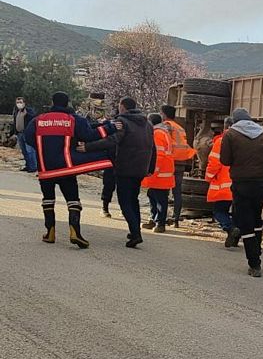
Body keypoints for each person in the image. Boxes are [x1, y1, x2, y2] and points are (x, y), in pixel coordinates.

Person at [25, 92, 115, 248]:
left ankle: (50, 232)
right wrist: (109, 128)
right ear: (68, 104)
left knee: (48, 199)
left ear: (52, 102)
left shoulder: (37, 121)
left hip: (46, 169)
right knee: (73, 199)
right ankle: (75, 232)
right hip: (66, 168)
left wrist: (44, 150)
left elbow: (28, 138)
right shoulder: (74, 120)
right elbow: (89, 135)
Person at [82, 97, 156, 248]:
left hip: (125, 167)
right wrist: (150, 168)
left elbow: (112, 140)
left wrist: (88, 147)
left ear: (122, 107)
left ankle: (135, 233)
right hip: (141, 168)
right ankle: (136, 231)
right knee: (133, 199)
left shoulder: (122, 122)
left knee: (125, 201)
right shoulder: (147, 123)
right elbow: (153, 147)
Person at [220, 108, 263, 278]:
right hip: (261, 184)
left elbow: (225, 160)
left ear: (235, 121)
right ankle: (257, 251)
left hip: (241, 184)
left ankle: (254, 263)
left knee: (245, 223)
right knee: (256, 218)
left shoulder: (230, 135)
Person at [206, 117, 240, 248]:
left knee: (219, 211)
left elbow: (214, 162)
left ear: (226, 127)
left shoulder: (221, 141)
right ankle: (235, 236)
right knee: (236, 212)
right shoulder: (242, 141)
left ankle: (230, 229)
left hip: (223, 184)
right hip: (239, 184)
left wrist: (209, 177)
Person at [160, 105, 196, 228]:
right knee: (177, 192)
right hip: (181, 162)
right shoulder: (180, 128)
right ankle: (175, 219)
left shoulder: (166, 126)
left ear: (164, 114)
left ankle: (162, 218)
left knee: (163, 190)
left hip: (170, 162)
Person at [141, 113, 175, 233]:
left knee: (160, 198)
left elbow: (159, 155)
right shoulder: (163, 132)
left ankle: (160, 223)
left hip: (159, 173)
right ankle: (154, 219)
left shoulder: (157, 134)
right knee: (153, 195)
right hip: (163, 172)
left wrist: (152, 171)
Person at [12, 97, 38, 172]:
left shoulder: (29, 111)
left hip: (27, 133)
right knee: (24, 151)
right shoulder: (16, 111)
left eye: (20, 102)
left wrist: (27, 114)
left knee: (30, 150)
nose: (19, 104)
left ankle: (33, 167)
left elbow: (34, 118)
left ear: (24, 103)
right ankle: (28, 165)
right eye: (17, 102)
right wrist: (14, 132)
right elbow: (15, 122)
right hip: (19, 133)